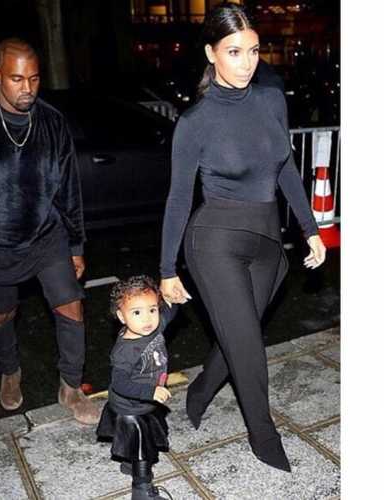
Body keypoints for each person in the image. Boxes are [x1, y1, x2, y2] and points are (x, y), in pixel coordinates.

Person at [159, 3, 326, 473]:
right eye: (234, 51)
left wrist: (310, 228)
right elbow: (178, 198)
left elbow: (286, 168)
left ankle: (201, 388)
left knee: (240, 334)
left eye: (253, 50)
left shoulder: (272, 100)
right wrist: (167, 269)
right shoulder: (194, 123)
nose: (247, 62)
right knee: (249, 345)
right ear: (211, 53)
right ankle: (264, 439)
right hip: (215, 242)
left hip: (268, 243)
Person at [0, 38, 100, 425]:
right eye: (16, 79)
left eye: (34, 78)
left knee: (71, 305)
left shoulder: (52, 122)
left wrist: (75, 244)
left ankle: (71, 386)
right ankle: (9, 370)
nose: (27, 88)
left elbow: (68, 188)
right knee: (1, 315)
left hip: (47, 236)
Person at [96, 276, 177, 500]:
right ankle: (142, 491)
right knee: (143, 451)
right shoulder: (125, 351)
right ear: (122, 316)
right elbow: (120, 383)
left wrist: (174, 298)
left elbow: (170, 314)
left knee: (144, 440)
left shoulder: (153, 328)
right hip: (130, 408)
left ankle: (128, 463)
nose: (148, 318)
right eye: (137, 312)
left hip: (144, 404)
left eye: (152, 309)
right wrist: (150, 392)